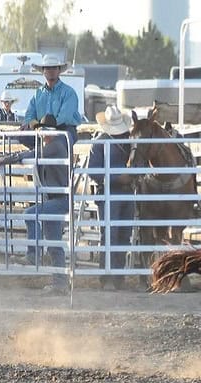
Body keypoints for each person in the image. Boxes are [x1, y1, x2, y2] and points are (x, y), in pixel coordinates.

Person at [0, 114, 71, 294]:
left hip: (60, 199)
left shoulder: (56, 146)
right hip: (55, 199)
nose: (41, 134)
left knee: (30, 214)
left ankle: (33, 255)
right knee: (54, 243)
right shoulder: (54, 145)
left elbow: (32, 154)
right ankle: (60, 282)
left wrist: (7, 158)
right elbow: (33, 152)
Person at [89, 105, 136, 291]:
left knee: (124, 234)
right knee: (110, 234)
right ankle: (107, 276)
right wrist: (117, 178)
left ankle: (118, 276)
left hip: (125, 192)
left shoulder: (129, 140)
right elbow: (93, 170)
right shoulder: (100, 142)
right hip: (109, 192)